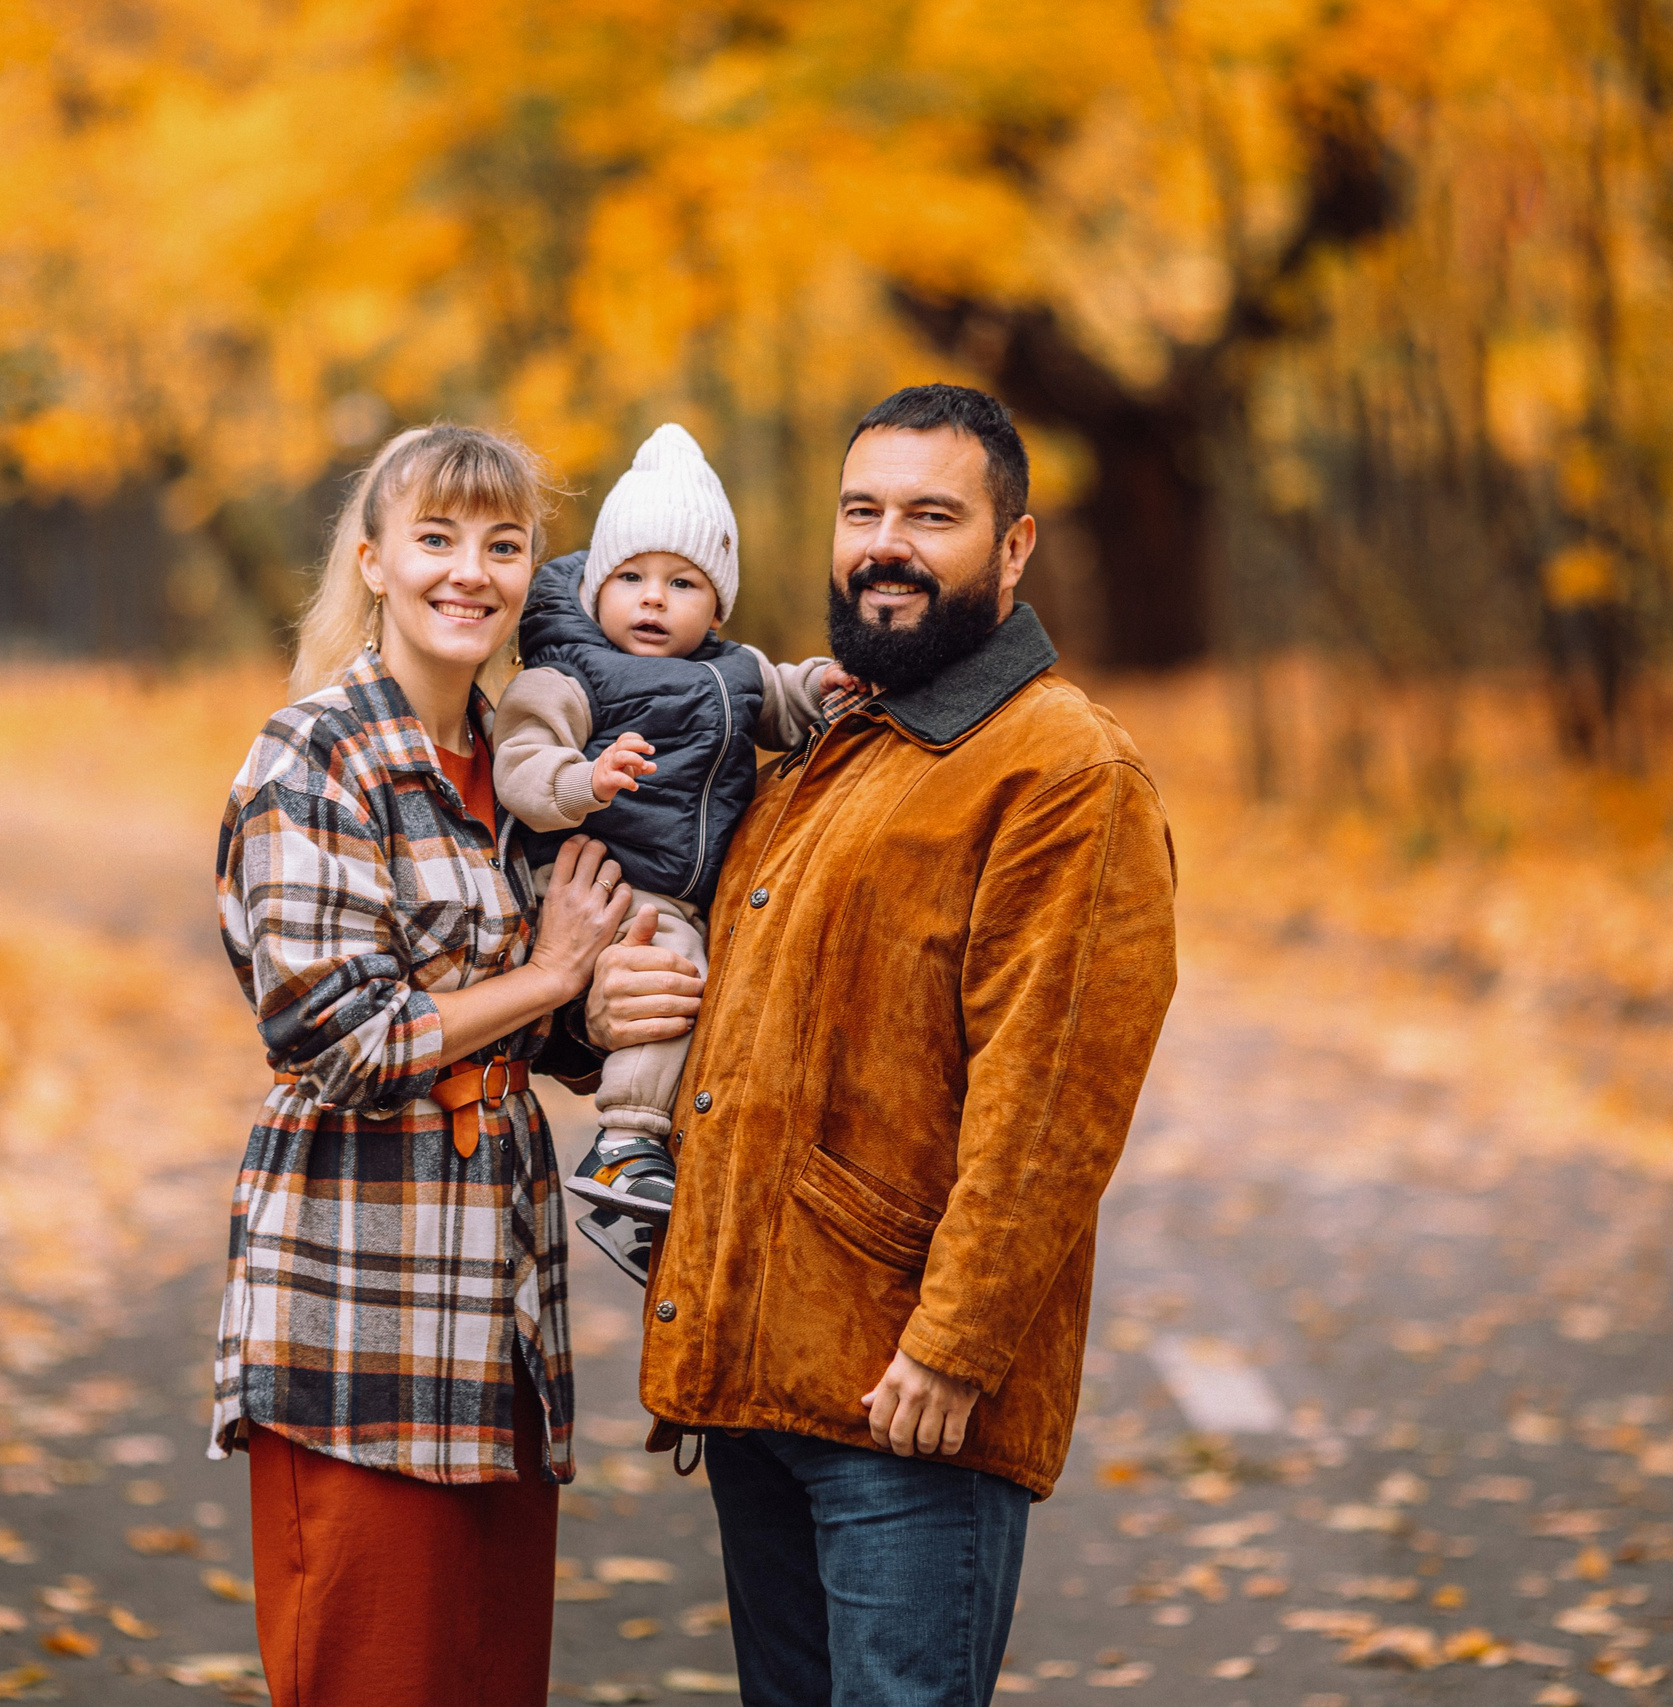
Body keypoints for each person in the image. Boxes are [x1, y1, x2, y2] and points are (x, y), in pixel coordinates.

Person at [579, 384, 1180, 1705]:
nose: (886, 543)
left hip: (910, 1407)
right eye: (864, 510)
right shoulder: (825, 743)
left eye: (932, 514)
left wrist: (957, 1345)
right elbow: (718, 995)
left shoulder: (1061, 768)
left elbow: (1053, 1095)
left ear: (1013, 546)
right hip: (754, 1374)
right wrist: (597, 1017)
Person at [206, 423, 633, 1707]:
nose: (471, 571)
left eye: (503, 546)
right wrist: (551, 977)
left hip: (500, 1313)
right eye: (437, 539)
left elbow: (534, 1017)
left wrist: (606, 1001)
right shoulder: (316, 752)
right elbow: (334, 1033)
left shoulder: (518, 771)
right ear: (375, 559)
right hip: (360, 1306)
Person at [491, 423, 840, 1283]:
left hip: (681, 890)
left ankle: (666, 1173)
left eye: (682, 583)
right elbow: (521, 760)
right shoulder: (572, 672)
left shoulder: (730, 671)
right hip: (599, 882)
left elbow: (782, 700)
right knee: (671, 972)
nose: (653, 599)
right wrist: (586, 779)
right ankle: (624, 1144)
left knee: (714, 978)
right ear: (599, 585)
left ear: (716, 608)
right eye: (632, 578)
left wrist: (823, 689)